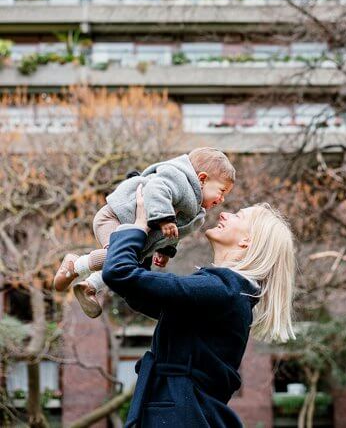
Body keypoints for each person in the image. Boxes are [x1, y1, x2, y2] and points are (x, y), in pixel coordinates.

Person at [104, 183, 296, 427]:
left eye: (239, 216)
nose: (225, 213)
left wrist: (138, 226)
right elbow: (141, 295)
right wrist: (149, 241)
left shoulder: (222, 291)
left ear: (247, 241)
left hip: (177, 414)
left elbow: (119, 274)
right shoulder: (229, 293)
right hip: (181, 411)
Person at [54, 147, 236, 318]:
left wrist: (165, 250)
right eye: (221, 191)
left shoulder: (196, 213)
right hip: (114, 217)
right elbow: (156, 190)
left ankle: (90, 286)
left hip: (133, 236)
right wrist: (164, 217)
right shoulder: (178, 179)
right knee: (118, 257)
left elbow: (175, 231)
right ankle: (75, 265)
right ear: (202, 179)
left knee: (126, 262)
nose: (222, 199)